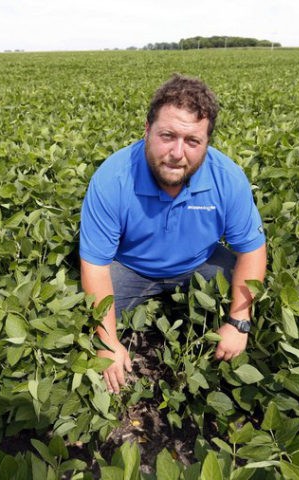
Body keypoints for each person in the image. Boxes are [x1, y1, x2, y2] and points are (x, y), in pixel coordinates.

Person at [79, 74, 266, 394]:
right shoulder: (113, 177)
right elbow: (95, 265)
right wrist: (108, 344)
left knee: (255, 303)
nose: (178, 152)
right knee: (84, 326)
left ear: (207, 143)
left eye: (192, 141)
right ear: (147, 130)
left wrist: (239, 322)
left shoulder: (228, 179)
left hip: (199, 263)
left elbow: (252, 250)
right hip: (129, 267)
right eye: (168, 135)